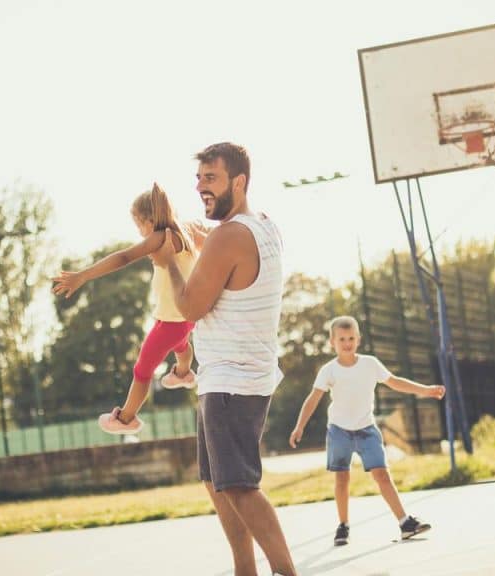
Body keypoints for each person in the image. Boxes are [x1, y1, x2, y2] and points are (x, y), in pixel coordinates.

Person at [152, 142, 297, 576]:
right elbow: (212, 240)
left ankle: (286, 572)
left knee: (238, 485)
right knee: (217, 482)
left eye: (210, 179)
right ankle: (244, 571)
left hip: (230, 382)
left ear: (239, 181)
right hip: (238, 376)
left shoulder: (229, 236)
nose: (201, 187)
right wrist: (185, 227)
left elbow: (189, 307)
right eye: (198, 179)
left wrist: (168, 263)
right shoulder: (263, 225)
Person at [51, 183, 198, 434]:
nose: (140, 233)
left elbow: (124, 257)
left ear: (148, 221)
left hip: (174, 320)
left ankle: (126, 418)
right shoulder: (184, 232)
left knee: (142, 369)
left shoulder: (160, 236)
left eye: (139, 226)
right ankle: (184, 373)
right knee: (181, 344)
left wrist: (83, 276)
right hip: (180, 317)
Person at [289, 315, 444, 546]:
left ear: (358, 339)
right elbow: (313, 399)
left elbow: (395, 381)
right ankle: (343, 526)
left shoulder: (370, 364)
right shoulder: (329, 370)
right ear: (332, 342)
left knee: (382, 475)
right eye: (342, 339)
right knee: (342, 479)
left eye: (351, 338)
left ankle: (405, 523)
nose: (347, 343)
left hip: (366, 429)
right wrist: (299, 426)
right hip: (339, 431)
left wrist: (427, 390)